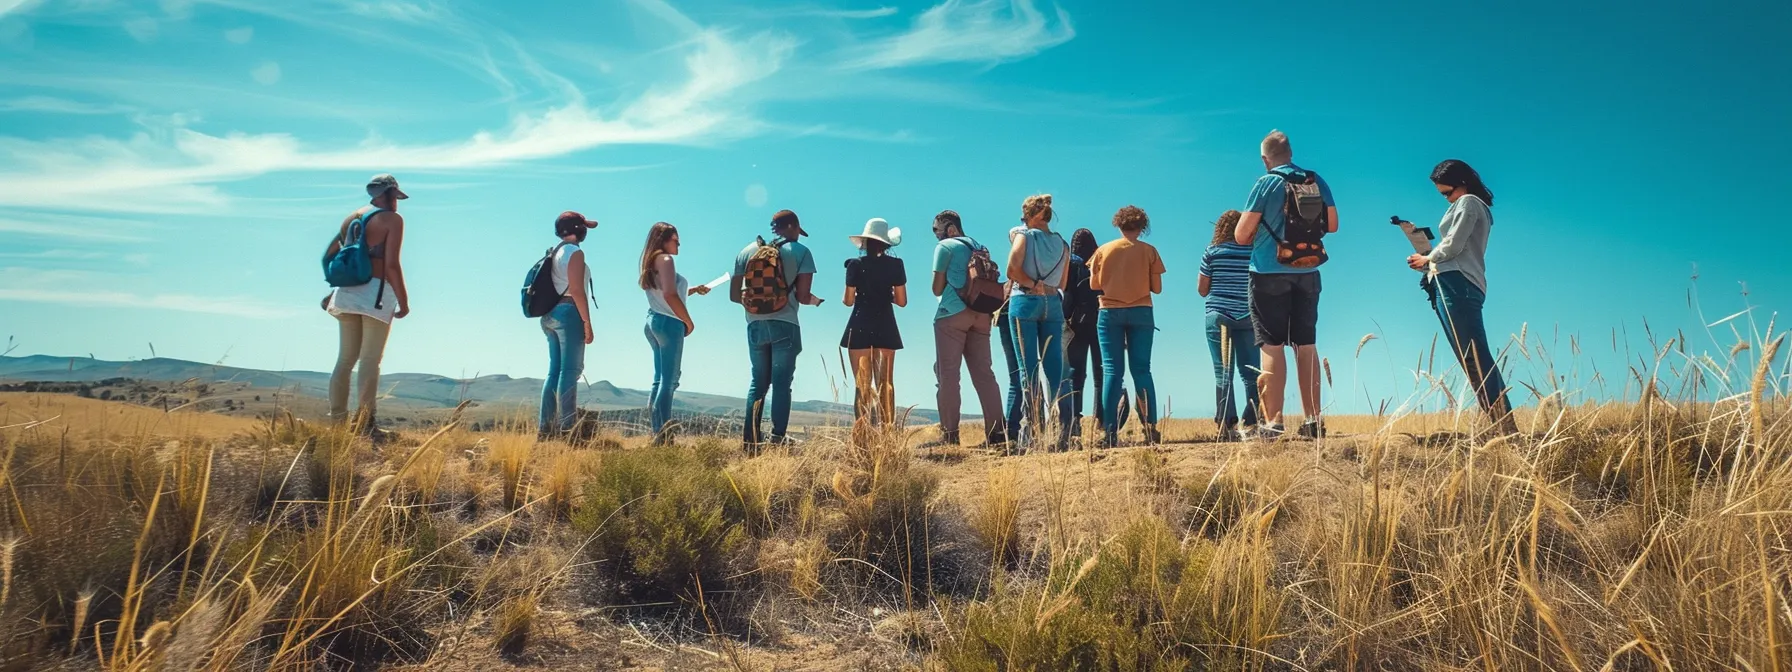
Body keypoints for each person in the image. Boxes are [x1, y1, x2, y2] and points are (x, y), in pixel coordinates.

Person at [1234, 130, 1337, 440]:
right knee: (1306, 346)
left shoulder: (1266, 183)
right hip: (1308, 271)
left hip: (1268, 272)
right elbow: (1332, 225)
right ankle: (1312, 421)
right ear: (1290, 153)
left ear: (1266, 159)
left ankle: (1273, 423)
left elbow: (1241, 234)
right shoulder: (1314, 179)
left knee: (1271, 346)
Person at [1406, 159, 1518, 435]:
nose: (1447, 199)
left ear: (1463, 183)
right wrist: (1428, 256)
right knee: (1470, 358)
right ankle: (1498, 424)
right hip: (1453, 280)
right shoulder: (1468, 204)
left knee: (1475, 356)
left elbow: (1454, 245)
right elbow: (1454, 244)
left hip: (1458, 282)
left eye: (1447, 193)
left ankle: (1505, 426)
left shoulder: (1468, 202)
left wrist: (1427, 256)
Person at [322, 173, 412, 439]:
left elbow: (329, 255)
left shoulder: (352, 217)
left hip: (346, 292)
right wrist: (404, 301)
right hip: (376, 292)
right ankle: (365, 424)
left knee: (345, 359)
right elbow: (392, 264)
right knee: (370, 360)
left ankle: (337, 422)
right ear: (389, 194)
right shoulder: (392, 220)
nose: (397, 202)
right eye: (396, 196)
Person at [730, 209, 818, 452]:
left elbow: (733, 296)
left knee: (758, 384)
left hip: (755, 325)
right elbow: (802, 294)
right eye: (799, 232)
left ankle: (750, 442)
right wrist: (814, 301)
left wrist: (759, 304)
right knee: (781, 384)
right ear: (793, 227)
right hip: (786, 324)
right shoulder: (801, 252)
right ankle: (777, 440)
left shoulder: (747, 251)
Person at [1088, 206, 1166, 447]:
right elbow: (1157, 288)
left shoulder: (1103, 250)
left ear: (1118, 225)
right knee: (1142, 369)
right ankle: (1149, 427)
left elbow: (1094, 284)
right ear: (1142, 227)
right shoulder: (1150, 251)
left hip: (1109, 311)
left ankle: (1109, 431)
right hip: (1142, 311)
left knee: (1112, 371)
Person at [929, 210, 1008, 447]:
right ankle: (997, 435)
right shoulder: (981, 247)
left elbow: (936, 288)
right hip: (982, 314)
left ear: (950, 228)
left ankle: (949, 436)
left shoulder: (945, 247)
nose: (937, 236)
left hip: (952, 314)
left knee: (949, 375)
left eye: (937, 230)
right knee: (985, 374)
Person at [1006, 194, 1073, 452]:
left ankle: (1031, 433)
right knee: (1056, 368)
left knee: (1028, 369)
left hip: (1025, 300)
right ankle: (1064, 430)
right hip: (1053, 303)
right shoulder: (1062, 243)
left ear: (1031, 215)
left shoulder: (1025, 236)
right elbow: (1063, 283)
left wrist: (1032, 283)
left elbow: (1012, 269)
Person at [640, 222, 710, 445]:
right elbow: (670, 295)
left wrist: (693, 290)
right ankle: (663, 436)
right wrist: (688, 321)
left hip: (653, 321)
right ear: (663, 239)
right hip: (669, 324)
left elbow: (665, 292)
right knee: (669, 381)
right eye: (675, 239)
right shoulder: (667, 259)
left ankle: (656, 431)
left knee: (659, 380)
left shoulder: (652, 261)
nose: (679, 243)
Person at [1199, 210, 1261, 441]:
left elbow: (1202, 289)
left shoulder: (1212, 252)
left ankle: (1226, 424)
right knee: (1251, 372)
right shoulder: (1254, 252)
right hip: (1248, 315)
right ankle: (1254, 420)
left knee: (1223, 372)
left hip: (1218, 315)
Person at [842, 218, 908, 436]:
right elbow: (901, 301)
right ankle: (887, 436)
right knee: (886, 384)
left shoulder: (854, 264)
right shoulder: (896, 265)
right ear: (887, 243)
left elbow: (848, 301)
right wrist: (886, 293)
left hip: (859, 323)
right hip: (886, 326)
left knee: (862, 387)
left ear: (865, 242)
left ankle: (861, 437)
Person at [537, 211, 598, 439]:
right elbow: (578, 291)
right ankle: (567, 429)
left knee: (554, 372)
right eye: (584, 227)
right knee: (570, 372)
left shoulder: (555, 252)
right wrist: (587, 322)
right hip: (568, 312)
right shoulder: (574, 253)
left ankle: (546, 429)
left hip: (549, 314)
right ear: (577, 229)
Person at [1062, 227, 1105, 436]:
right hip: (1100, 321)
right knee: (1101, 373)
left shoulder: (1071, 264)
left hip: (1076, 323)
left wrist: (1064, 317)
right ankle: (1102, 421)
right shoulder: (1100, 263)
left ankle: (1074, 422)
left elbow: (1067, 294)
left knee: (1075, 375)